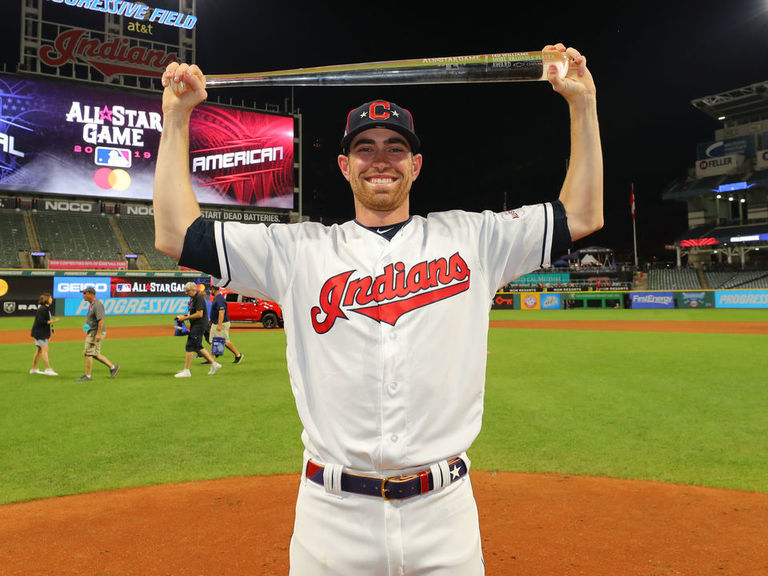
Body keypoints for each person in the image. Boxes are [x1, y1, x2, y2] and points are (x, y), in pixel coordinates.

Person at [153, 43, 602, 575]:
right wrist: (177, 118)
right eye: (365, 148)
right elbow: (176, 233)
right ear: (345, 165)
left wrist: (582, 104)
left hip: (445, 516)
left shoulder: (473, 237)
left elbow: (581, 213)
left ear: (415, 164)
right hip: (331, 519)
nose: (380, 159)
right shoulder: (299, 251)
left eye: (395, 148)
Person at [174, 282, 221, 377]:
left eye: (187, 291)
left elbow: (199, 314)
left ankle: (187, 371)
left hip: (199, 325)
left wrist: (185, 318)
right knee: (198, 347)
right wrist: (182, 316)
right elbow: (192, 313)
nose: (186, 293)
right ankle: (214, 364)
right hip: (196, 325)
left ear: (193, 290)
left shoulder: (198, 298)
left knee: (189, 346)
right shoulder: (193, 299)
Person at [76, 287, 120, 382]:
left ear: (91, 294)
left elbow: (101, 320)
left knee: (88, 353)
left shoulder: (97, 304)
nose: (83, 295)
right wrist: (86, 328)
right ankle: (113, 367)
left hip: (95, 332)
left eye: (84, 293)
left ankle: (88, 376)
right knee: (94, 354)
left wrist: (98, 334)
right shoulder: (92, 304)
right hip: (92, 331)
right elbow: (91, 319)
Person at [208, 285, 244, 363]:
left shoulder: (219, 299)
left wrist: (219, 325)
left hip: (221, 323)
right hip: (216, 322)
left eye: (210, 290)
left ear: (214, 290)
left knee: (224, 341)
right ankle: (211, 360)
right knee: (212, 341)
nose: (210, 291)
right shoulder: (217, 298)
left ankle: (238, 355)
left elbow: (222, 312)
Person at [29, 292, 59, 376]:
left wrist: (48, 334)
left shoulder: (45, 308)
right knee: (44, 350)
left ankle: (33, 369)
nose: (51, 299)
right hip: (40, 333)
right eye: (50, 298)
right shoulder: (43, 309)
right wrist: (54, 321)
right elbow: (41, 321)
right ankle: (48, 369)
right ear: (46, 300)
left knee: (39, 350)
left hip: (40, 333)